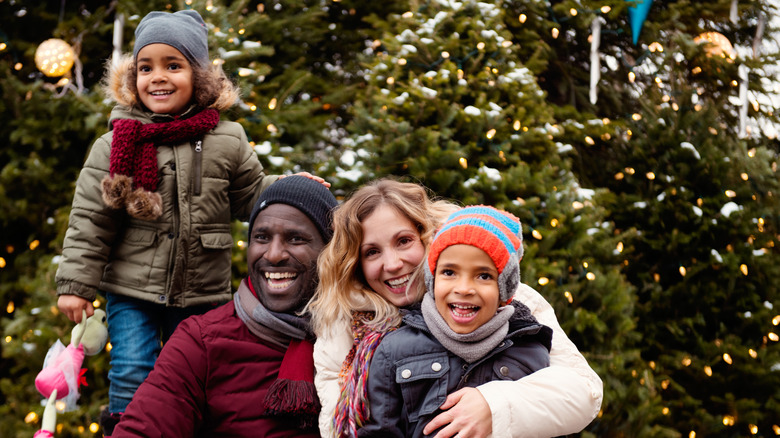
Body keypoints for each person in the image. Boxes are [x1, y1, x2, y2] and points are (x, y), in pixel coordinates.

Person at [53, 10, 325, 434]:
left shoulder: (226, 139)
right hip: (132, 288)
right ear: (132, 78)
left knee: (200, 369)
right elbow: (90, 221)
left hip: (202, 289)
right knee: (132, 368)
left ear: (199, 77)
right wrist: (75, 285)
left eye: (172, 65)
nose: (157, 77)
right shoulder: (115, 144)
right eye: (146, 67)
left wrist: (290, 185)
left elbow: (252, 194)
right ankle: (131, 428)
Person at [309, 178, 603, 438]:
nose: (393, 263)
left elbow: (582, 392)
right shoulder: (343, 329)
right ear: (355, 264)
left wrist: (494, 405)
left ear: (427, 236)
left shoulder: (511, 304)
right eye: (372, 252)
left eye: (404, 241)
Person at [112, 175, 338, 436]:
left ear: (330, 250)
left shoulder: (362, 336)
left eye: (296, 239)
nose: (274, 254)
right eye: (262, 237)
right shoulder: (200, 342)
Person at [359, 205, 554, 437]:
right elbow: (381, 431)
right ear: (432, 279)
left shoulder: (530, 350)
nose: (463, 289)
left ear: (505, 288)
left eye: (484, 276)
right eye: (449, 272)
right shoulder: (394, 350)